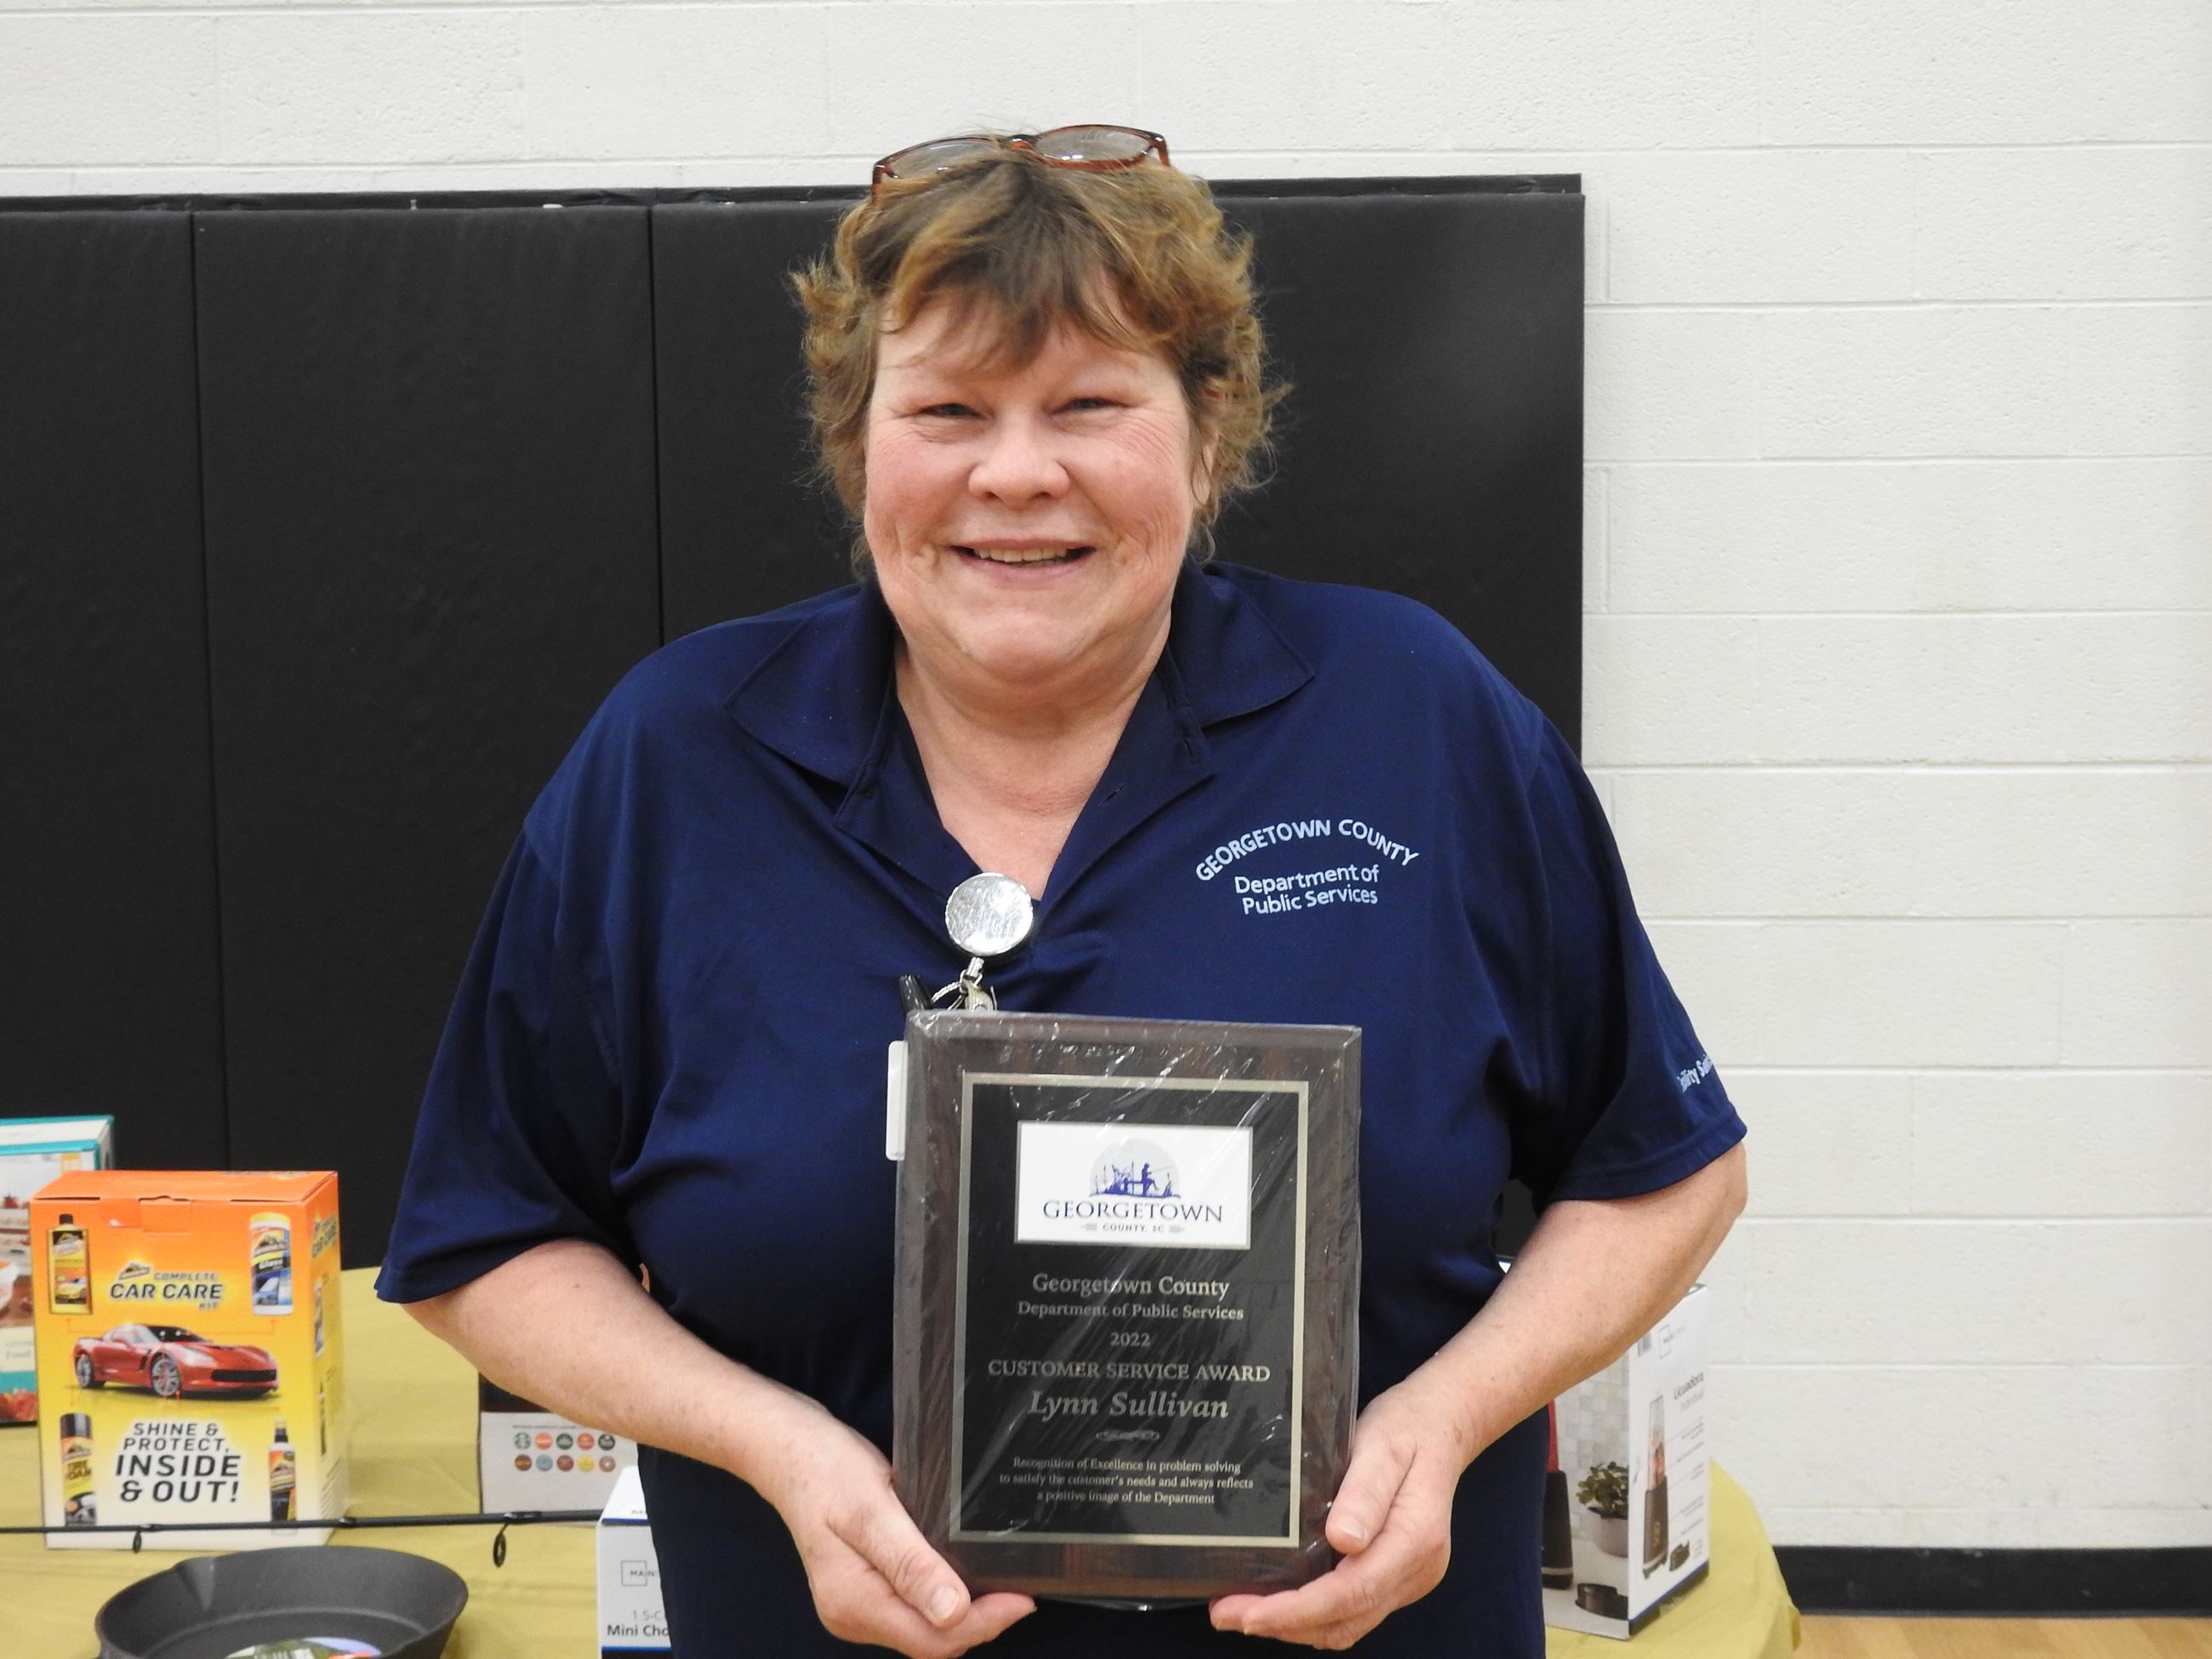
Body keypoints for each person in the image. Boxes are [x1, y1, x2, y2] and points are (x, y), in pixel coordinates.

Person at [377, 125, 1747, 1656]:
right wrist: (777, 1444)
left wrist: (1447, 1416)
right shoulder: (674, 760)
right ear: (860, 444)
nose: (1016, 472)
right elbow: (486, 1237)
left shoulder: (1419, 717)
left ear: (1206, 434)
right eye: (948, 408)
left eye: (1089, 404)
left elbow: (1666, 1170)